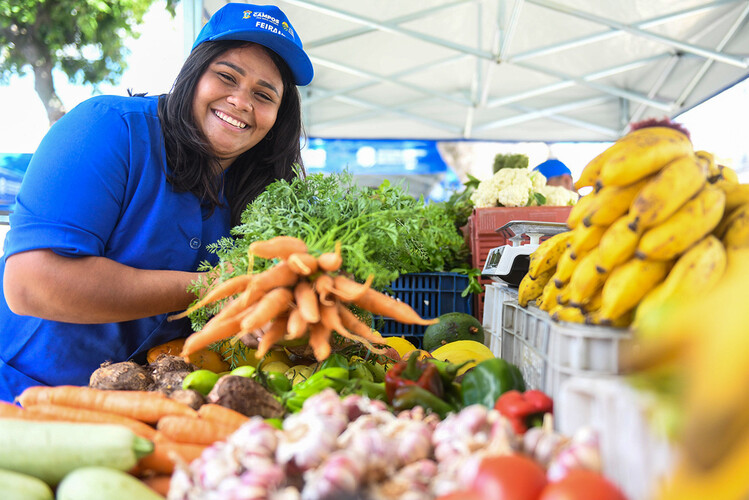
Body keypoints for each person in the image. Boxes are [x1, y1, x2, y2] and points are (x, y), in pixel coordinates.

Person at [0, 3, 313, 402]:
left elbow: (233, 312)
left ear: (278, 117)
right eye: (226, 76)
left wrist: (257, 316)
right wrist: (210, 288)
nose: (241, 101)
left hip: (149, 411)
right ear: (193, 73)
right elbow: (30, 283)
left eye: (264, 94)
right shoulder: (107, 128)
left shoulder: (266, 195)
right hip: (19, 392)